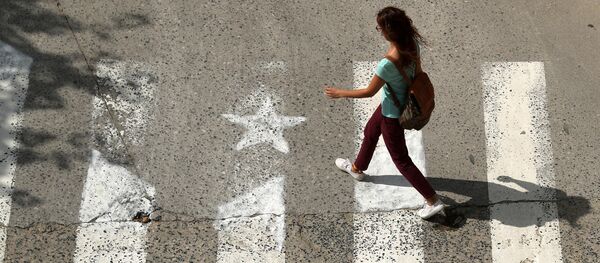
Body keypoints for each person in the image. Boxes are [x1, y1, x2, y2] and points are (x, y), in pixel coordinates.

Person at [324, 6, 444, 219]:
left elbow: (369, 92)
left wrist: (340, 93)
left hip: (393, 115)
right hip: (398, 102)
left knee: (402, 160)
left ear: (389, 32)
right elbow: (416, 72)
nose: (378, 30)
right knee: (370, 131)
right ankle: (357, 168)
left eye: (379, 27)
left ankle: (432, 200)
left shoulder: (387, 64)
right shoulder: (412, 44)